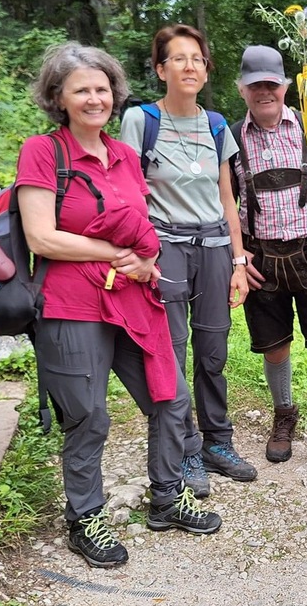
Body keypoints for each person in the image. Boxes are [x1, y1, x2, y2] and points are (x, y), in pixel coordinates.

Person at [16, 42, 221, 569]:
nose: (94, 98)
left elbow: (141, 226)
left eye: (102, 88)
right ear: (58, 98)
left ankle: (166, 496)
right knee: (88, 415)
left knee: (171, 397)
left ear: (115, 95)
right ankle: (85, 517)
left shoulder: (126, 155)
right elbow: (42, 238)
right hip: (71, 304)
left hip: (132, 296)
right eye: (81, 89)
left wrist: (144, 260)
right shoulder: (44, 151)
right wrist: (114, 251)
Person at [120, 25, 255, 499]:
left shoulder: (217, 125)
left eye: (197, 58)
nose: (190, 66)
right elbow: (130, 191)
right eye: (178, 59)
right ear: (160, 69)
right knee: (172, 353)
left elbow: (226, 197)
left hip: (215, 248)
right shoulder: (141, 121)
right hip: (166, 248)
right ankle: (185, 449)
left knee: (213, 352)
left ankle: (219, 442)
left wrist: (239, 261)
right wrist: (140, 252)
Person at [231, 45, 307, 474]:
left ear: (284, 87)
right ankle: (284, 415)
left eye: (272, 83)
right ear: (242, 89)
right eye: (255, 85)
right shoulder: (231, 139)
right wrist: (237, 253)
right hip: (261, 260)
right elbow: (223, 202)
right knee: (275, 348)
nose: (265, 91)